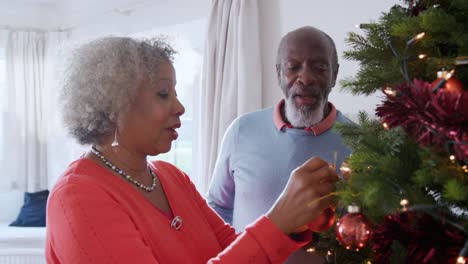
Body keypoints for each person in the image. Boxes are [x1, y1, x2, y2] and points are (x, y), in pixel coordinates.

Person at [45, 36, 339, 263]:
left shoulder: (171, 177)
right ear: (114, 105)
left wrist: (297, 218)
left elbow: (232, 248)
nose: (180, 107)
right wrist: (278, 219)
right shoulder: (78, 196)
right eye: (163, 94)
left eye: (175, 93)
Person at [207, 26, 352, 263]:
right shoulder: (241, 130)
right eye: (293, 67)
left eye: (319, 67)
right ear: (278, 73)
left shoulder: (359, 141)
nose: (305, 78)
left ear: (334, 74)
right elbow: (217, 207)